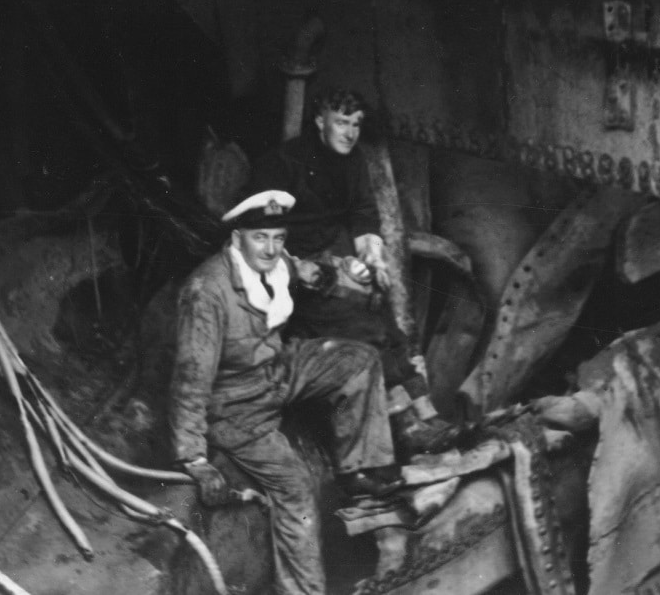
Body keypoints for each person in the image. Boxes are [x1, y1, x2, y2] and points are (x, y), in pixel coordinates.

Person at [172, 189, 402, 595]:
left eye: (278, 237)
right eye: (261, 238)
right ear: (238, 236)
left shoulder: (276, 264)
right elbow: (192, 378)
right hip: (238, 407)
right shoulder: (207, 291)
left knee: (359, 360)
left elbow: (309, 272)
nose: (271, 247)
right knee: (295, 492)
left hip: (277, 373)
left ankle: (360, 471)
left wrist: (346, 273)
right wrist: (194, 458)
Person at [249, 91, 458, 454]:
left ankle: (426, 413)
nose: (349, 133)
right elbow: (260, 233)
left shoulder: (354, 160)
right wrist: (300, 268)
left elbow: (363, 215)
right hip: (297, 273)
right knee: (361, 325)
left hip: (337, 259)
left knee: (386, 313)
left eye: (356, 124)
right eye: (341, 122)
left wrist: (373, 259)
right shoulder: (282, 163)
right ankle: (402, 425)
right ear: (320, 121)